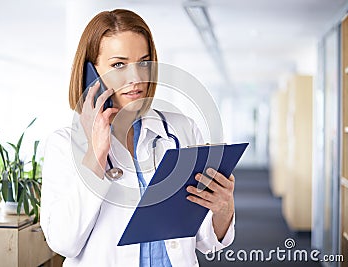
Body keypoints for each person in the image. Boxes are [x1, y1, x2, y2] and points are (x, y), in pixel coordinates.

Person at [40, 9, 235, 267]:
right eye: (118, 65)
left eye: (143, 63)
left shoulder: (182, 130)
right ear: (91, 73)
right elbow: (64, 242)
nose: (136, 79)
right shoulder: (64, 145)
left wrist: (223, 208)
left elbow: (205, 241)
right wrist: (96, 155)